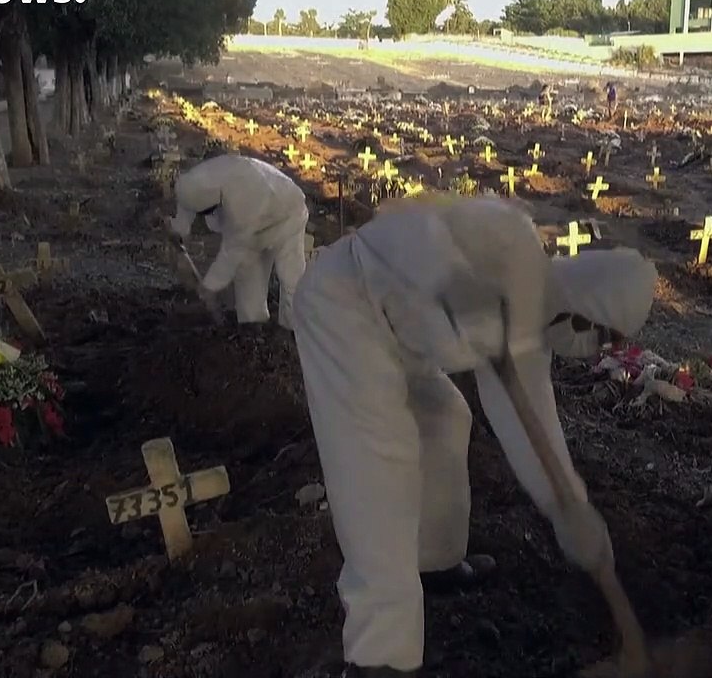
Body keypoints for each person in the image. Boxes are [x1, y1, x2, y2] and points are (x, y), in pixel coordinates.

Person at [293, 194, 658, 677]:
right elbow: (411, 222)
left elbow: (529, 425)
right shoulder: (509, 243)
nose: (596, 350)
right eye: (602, 336)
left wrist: (569, 508)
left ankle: (436, 559)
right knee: (379, 475)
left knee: (446, 416)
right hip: (345, 308)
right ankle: (379, 655)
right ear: (584, 311)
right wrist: (446, 275)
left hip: (399, 337)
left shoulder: (532, 321)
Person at [167, 154, 309, 329]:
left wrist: (209, 286)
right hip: (251, 223)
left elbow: (233, 250)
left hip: (287, 214)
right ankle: (253, 327)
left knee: (291, 276)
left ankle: (294, 329)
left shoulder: (241, 197)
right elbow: (187, 202)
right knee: (248, 276)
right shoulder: (192, 184)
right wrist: (178, 230)